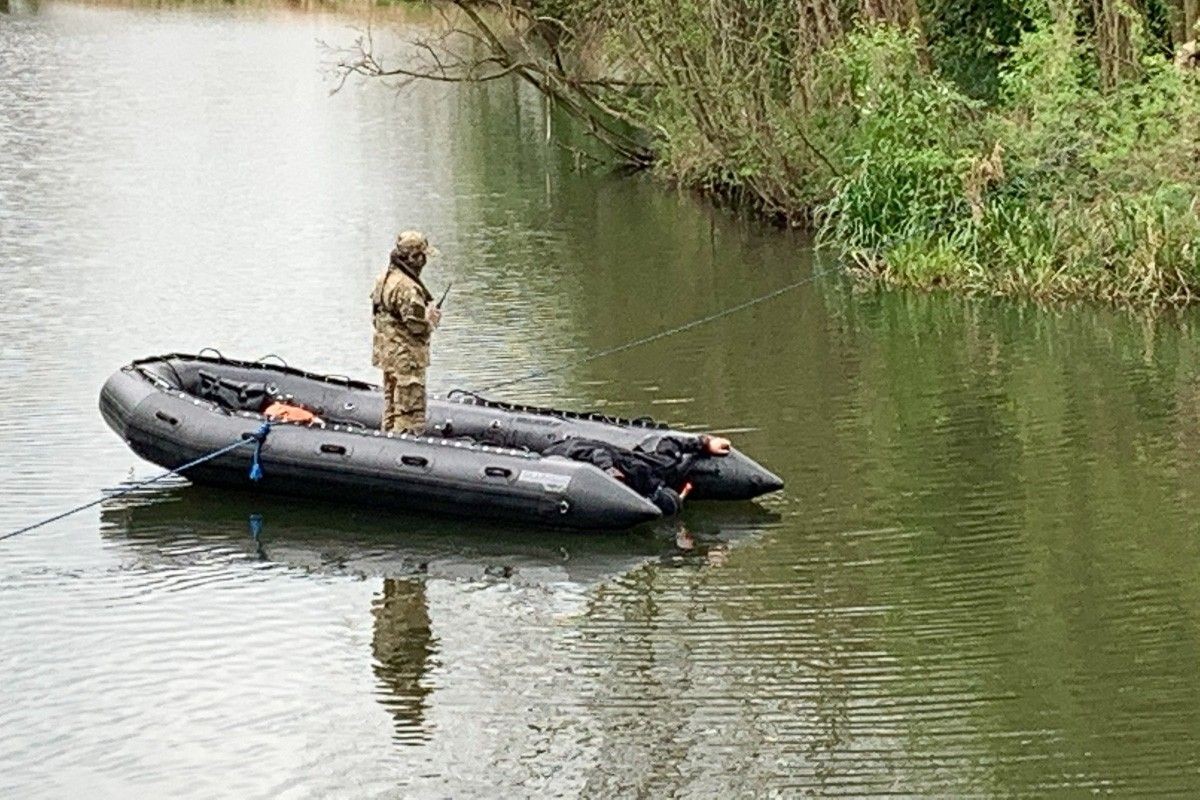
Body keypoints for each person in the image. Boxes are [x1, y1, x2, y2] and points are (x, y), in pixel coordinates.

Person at [542, 433, 732, 515]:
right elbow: (599, 454)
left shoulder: (660, 467)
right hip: (569, 450)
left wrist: (704, 443)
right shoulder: (650, 470)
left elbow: (669, 444)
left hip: (591, 453)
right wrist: (705, 442)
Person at [372, 231, 442, 433]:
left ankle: (387, 440)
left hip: (388, 354)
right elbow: (416, 326)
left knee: (392, 406)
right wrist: (431, 319)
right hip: (406, 358)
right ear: (414, 258)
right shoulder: (409, 288)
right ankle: (406, 446)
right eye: (423, 257)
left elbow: (378, 316)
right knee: (410, 410)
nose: (425, 262)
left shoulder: (385, 278)